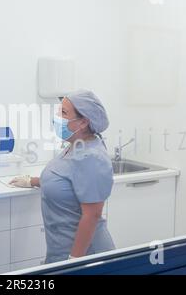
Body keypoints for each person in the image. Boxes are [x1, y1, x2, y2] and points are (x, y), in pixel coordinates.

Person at [10, 89, 115, 264]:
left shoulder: (91, 157)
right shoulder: (75, 145)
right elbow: (65, 178)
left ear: (83, 122)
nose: (57, 116)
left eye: (64, 113)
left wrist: (74, 261)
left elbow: (92, 215)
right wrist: (32, 181)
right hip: (61, 249)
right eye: (59, 110)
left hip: (85, 255)